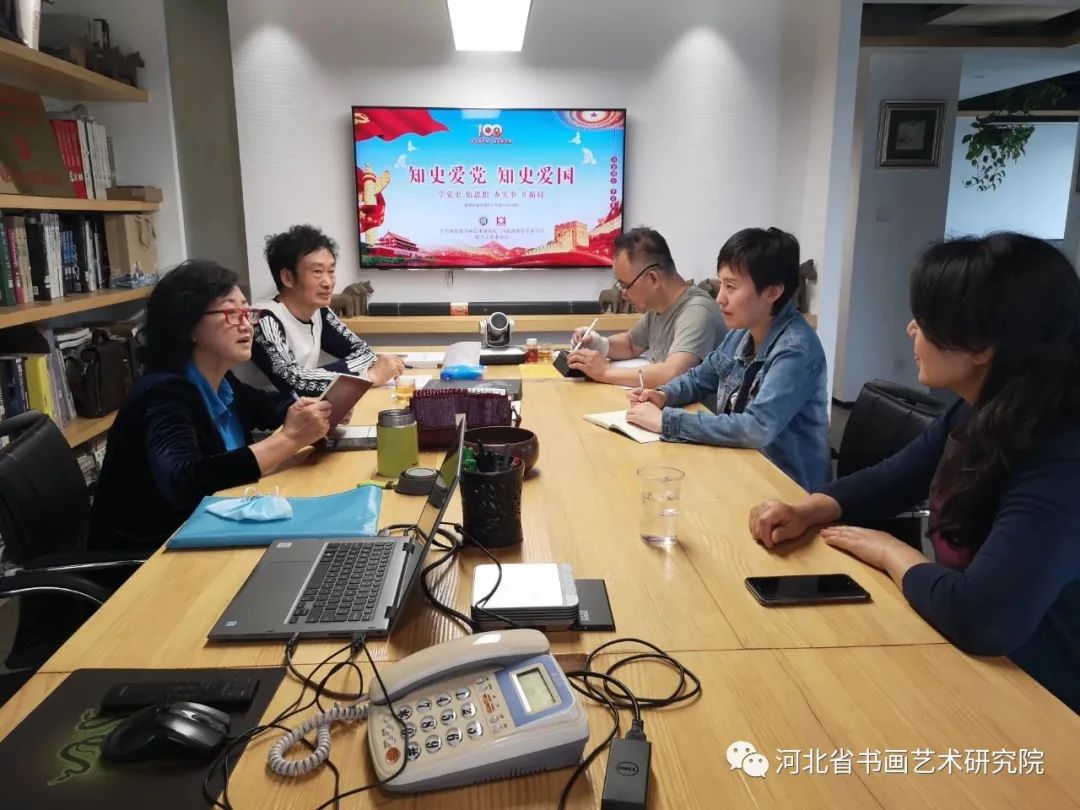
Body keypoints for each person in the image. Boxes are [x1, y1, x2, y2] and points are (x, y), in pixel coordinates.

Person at [749, 233, 1080, 713]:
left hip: (1041, 696)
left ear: (982, 344)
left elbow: (982, 617)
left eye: (924, 321)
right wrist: (809, 508)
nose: (910, 329)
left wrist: (891, 551)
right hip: (968, 659)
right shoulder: (983, 409)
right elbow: (897, 476)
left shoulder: (1060, 457)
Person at [89, 260, 333, 552]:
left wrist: (315, 410)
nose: (246, 325)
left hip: (214, 532)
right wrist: (289, 439)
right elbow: (184, 482)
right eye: (231, 314)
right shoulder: (162, 394)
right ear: (188, 326)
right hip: (153, 555)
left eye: (247, 312)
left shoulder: (220, 379)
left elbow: (268, 405)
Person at [626, 227, 829, 491]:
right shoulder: (743, 331)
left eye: (731, 287)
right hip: (740, 468)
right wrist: (663, 395)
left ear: (772, 292)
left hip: (787, 489)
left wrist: (666, 421)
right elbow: (699, 378)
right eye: (721, 284)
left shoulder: (795, 350)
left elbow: (755, 428)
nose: (719, 298)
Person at [250, 224, 404, 396]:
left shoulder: (319, 311)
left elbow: (364, 353)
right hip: (268, 412)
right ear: (287, 277)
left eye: (331, 271)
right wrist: (368, 376)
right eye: (317, 271)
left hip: (308, 408)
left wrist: (315, 376)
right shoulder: (263, 318)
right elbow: (294, 382)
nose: (328, 282)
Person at [567, 226, 725, 387]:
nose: (623, 294)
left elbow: (672, 374)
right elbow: (631, 344)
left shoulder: (696, 311)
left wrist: (604, 371)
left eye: (625, 285)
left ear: (653, 278)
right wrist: (600, 344)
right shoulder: (659, 307)